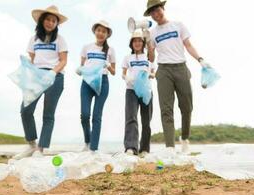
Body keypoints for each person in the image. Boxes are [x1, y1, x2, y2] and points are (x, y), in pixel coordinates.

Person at [144, 0, 211, 153]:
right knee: (166, 110)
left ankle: (185, 138)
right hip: (164, 71)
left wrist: (201, 59)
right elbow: (151, 58)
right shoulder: (153, 33)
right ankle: (170, 147)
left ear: (163, 8)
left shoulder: (178, 25)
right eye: (152, 12)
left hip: (181, 67)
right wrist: (148, 42)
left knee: (187, 107)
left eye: (157, 10)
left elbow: (188, 45)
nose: (156, 14)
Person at [13, 5, 68, 159]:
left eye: (53, 20)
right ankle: (31, 145)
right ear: (42, 21)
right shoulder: (34, 39)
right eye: (48, 19)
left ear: (57, 24)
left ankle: (41, 149)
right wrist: (26, 64)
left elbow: (63, 61)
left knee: (48, 115)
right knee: (26, 110)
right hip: (36, 77)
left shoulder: (60, 40)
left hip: (55, 78)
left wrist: (52, 72)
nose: (50, 23)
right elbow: (32, 59)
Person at [76, 20, 116, 152]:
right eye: (99, 30)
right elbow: (82, 65)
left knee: (96, 116)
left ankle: (93, 149)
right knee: (85, 115)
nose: (101, 33)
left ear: (107, 34)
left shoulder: (110, 50)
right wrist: (79, 69)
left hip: (103, 82)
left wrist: (108, 65)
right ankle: (87, 142)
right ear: (95, 31)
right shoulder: (86, 47)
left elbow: (114, 72)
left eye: (104, 31)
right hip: (87, 82)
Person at [122, 31, 156, 156]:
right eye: (134, 41)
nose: (137, 43)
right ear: (131, 43)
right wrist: (127, 78)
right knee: (131, 118)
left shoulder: (148, 58)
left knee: (146, 120)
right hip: (131, 90)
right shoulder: (127, 58)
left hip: (146, 91)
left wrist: (151, 75)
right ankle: (131, 148)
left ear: (143, 43)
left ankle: (145, 149)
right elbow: (123, 73)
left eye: (139, 41)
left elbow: (153, 71)